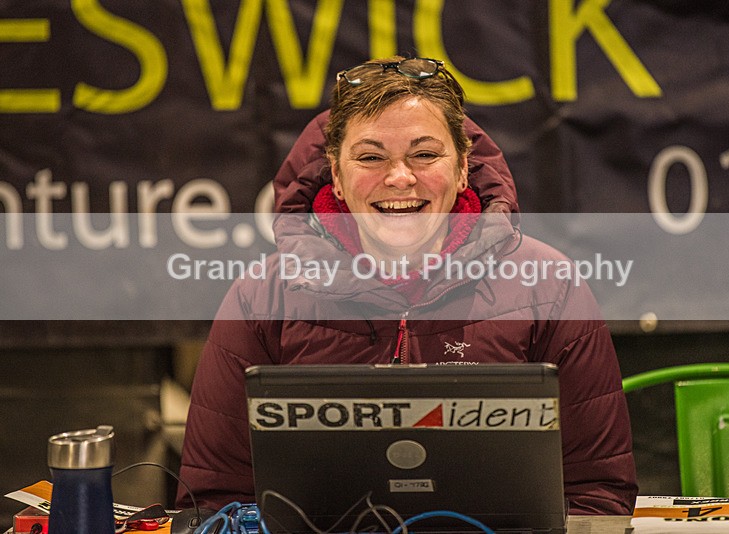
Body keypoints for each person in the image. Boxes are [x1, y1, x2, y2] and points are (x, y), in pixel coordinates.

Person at [177, 56, 637, 515]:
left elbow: (596, 495)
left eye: (424, 154)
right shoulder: (261, 296)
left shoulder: (549, 287)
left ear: (461, 169)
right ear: (337, 176)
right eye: (371, 157)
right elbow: (213, 505)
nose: (400, 177)